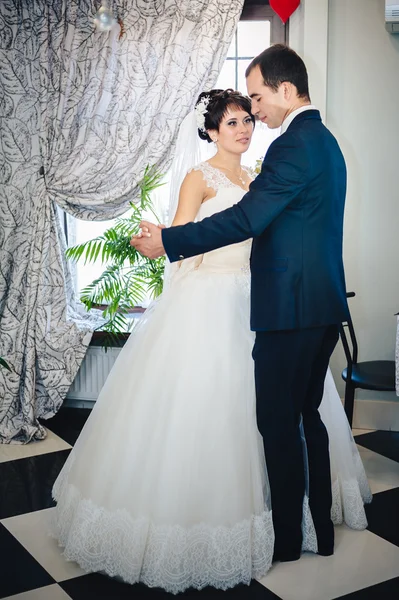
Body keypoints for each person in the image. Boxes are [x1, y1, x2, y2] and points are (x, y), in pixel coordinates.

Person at [52, 88, 370, 595]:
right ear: (211, 132)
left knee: (279, 414)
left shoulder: (262, 174)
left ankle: (284, 515)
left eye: (248, 118)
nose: (244, 128)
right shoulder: (199, 177)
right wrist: (177, 248)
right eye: (232, 123)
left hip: (265, 298)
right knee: (220, 412)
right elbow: (180, 242)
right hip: (214, 299)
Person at [131, 45, 366, 564]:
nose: (255, 113)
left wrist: (169, 242)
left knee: (278, 422)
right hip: (319, 303)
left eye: (257, 99)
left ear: (286, 90)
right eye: (241, 112)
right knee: (306, 414)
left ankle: (286, 539)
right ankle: (318, 531)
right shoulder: (324, 143)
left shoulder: (292, 147)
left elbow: (246, 221)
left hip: (290, 309)